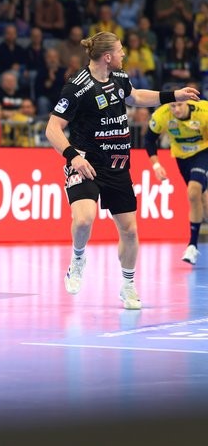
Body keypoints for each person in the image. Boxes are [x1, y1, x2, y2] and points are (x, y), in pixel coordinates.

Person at [45, 31, 199, 310]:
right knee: (83, 220)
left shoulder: (120, 78)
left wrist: (174, 94)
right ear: (107, 57)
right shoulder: (76, 88)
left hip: (117, 164)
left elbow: (137, 97)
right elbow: (52, 128)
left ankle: (128, 286)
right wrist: (72, 158)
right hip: (86, 163)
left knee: (129, 231)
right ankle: (78, 259)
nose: (123, 54)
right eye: (120, 51)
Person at [146, 100, 208, 265]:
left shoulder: (203, 111)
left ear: (187, 104)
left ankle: (192, 245)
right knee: (203, 199)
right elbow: (148, 140)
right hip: (182, 159)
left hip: (204, 152)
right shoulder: (162, 115)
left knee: (193, 192)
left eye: (180, 105)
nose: (177, 109)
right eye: (173, 106)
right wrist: (156, 165)